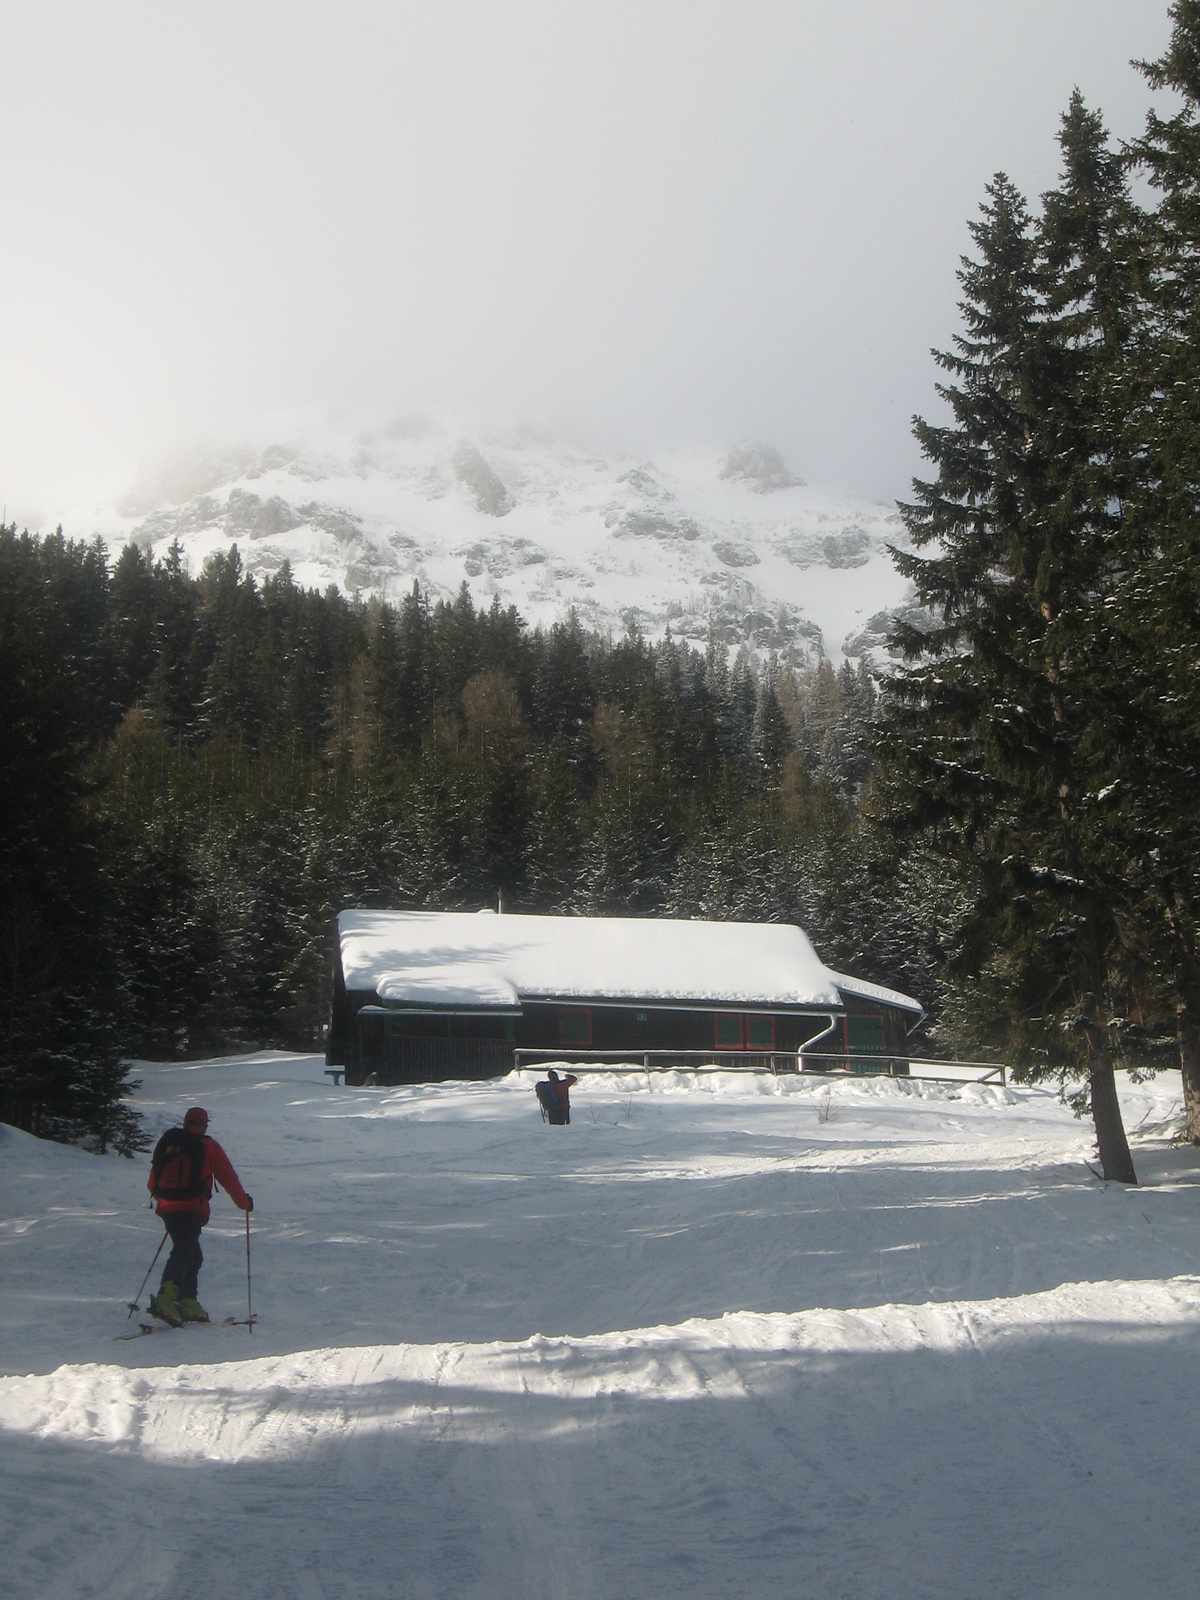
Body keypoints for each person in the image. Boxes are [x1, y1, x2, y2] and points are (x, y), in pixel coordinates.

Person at [146, 1106, 253, 1326]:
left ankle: (188, 1301)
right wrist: (244, 1203)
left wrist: (165, 1201)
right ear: (204, 1125)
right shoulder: (209, 1147)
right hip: (192, 1207)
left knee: (193, 1255)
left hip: (167, 1208)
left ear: (185, 1122)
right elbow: (228, 1178)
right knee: (184, 1251)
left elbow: (152, 1181)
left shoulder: (170, 1143)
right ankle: (166, 1297)